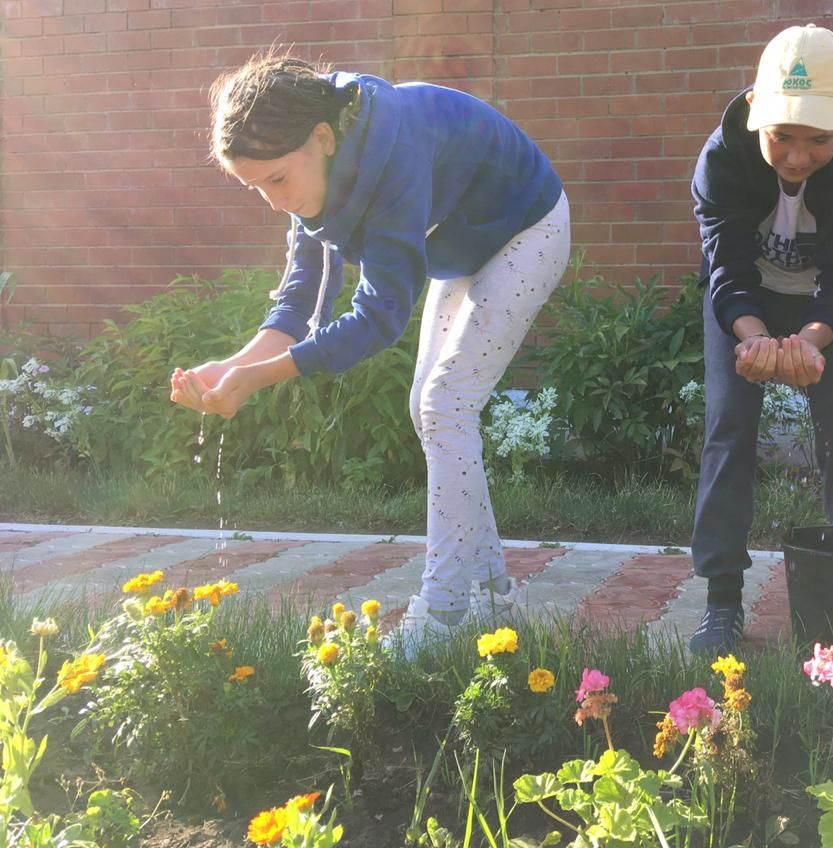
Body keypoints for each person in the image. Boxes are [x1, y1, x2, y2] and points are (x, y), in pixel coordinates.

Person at [169, 52, 571, 656]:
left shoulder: (394, 150)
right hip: (463, 249)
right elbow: (302, 306)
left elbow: (379, 316)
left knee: (444, 405)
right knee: (431, 408)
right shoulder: (317, 180)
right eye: (258, 189)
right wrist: (229, 368)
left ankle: (439, 616)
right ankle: (492, 594)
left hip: (526, 231)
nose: (274, 203)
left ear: (323, 138)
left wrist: (257, 377)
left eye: (276, 180)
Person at [688, 24, 833, 653]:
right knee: (728, 430)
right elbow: (725, 268)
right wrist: (751, 338)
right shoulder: (722, 160)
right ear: (755, 111)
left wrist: (809, 340)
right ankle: (722, 599)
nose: (798, 158)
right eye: (781, 137)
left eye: (818, 139)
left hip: (823, 309)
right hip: (743, 306)